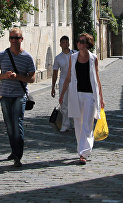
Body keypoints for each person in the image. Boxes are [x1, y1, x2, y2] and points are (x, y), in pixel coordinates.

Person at [0, 27, 36, 167]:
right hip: (5, 95)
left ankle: (18, 155)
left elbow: (32, 78)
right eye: (11, 38)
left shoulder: (27, 57)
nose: (14, 41)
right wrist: (4, 76)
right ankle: (13, 150)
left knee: (17, 124)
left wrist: (17, 76)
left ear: (21, 39)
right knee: (9, 126)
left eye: (16, 38)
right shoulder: (2, 55)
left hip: (19, 95)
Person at [59, 33, 105, 165]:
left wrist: (101, 97)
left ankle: (84, 152)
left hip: (90, 95)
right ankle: (81, 150)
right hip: (76, 94)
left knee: (87, 124)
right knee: (78, 124)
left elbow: (97, 79)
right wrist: (62, 94)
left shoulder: (93, 58)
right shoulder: (73, 58)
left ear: (88, 44)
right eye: (78, 41)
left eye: (83, 41)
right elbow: (68, 77)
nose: (80, 43)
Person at [51, 35, 73, 132]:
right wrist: (52, 87)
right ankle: (65, 123)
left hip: (74, 82)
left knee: (75, 102)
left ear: (69, 43)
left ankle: (75, 122)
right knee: (63, 102)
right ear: (60, 44)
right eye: (63, 42)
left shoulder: (75, 54)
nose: (65, 44)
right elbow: (55, 73)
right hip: (63, 81)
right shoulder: (58, 58)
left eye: (66, 42)